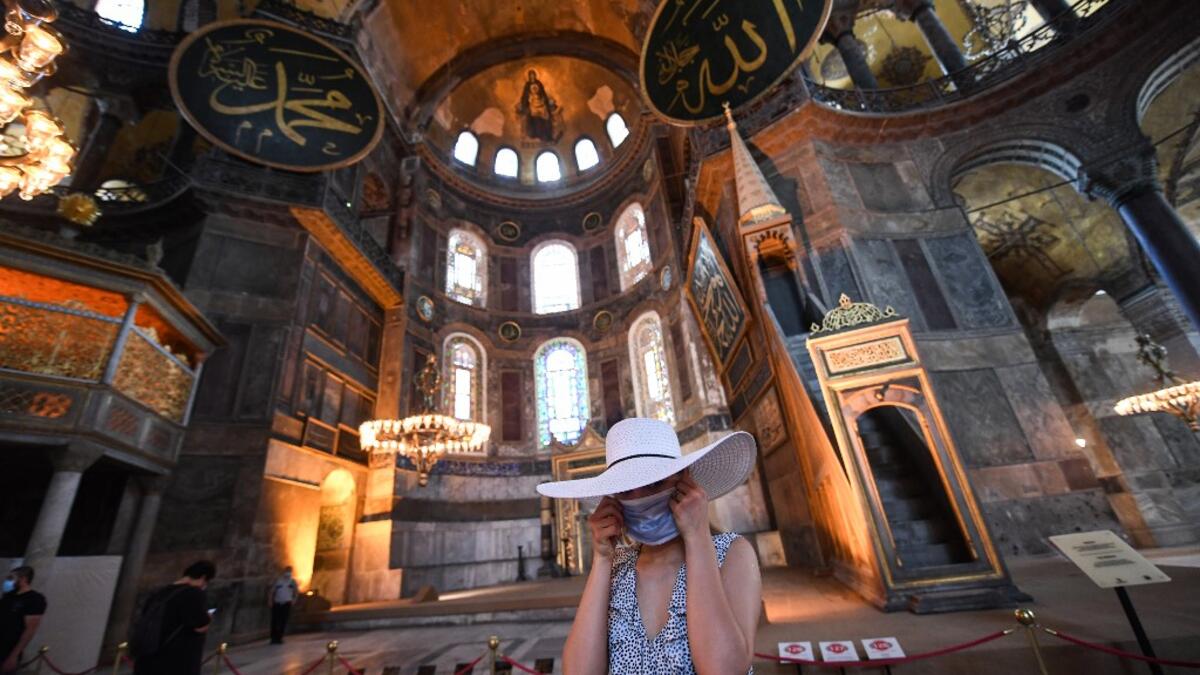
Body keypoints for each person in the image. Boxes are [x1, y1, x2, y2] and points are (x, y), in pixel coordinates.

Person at [538, 418, 762, 674]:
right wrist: (601, 559)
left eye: (655, 484)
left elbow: (723, 669)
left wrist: (697, 536)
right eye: (626, 489)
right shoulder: (616, 568)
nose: (640, 498)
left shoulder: (732, 553)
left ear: (684, 480)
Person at [132, 561, 215, 675]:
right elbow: (200, 625)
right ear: (203, 577)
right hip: (175, 660)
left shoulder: (159, 592)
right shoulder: (193, 593)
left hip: (147, 657)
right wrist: (208, 617)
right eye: (206, 582)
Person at [0, 566, 45, 674]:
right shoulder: (8, 597)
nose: (7, 581)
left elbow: (30, 630)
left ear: (23, 579)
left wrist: (14, 656)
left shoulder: (34, 599)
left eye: (11, 578)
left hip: (8, 650)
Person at [267, 566, 298, 644]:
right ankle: (273, 638)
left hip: (287, 603)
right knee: (275, 621)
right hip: (277, 603)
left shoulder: (292, 582)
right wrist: (270, 600)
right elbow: (272, 591)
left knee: (283, 621)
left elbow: (296, 592)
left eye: (290, 571)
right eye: (287, 571)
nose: (288, 573)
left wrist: (294, 600)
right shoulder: (278, 581)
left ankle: (279, 637)